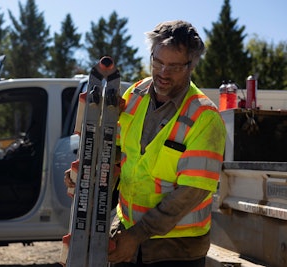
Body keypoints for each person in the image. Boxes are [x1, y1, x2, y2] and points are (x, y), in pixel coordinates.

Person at [65, 20, 226, 267]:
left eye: (174, 66)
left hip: (175, 251)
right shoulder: (135, 95)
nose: (163, 72)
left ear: (191, 65)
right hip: (126, 232)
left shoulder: (204, 118)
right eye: (158, 62)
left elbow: (192, 192)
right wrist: (87, 172)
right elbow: (117, 152)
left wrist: (137, 235)